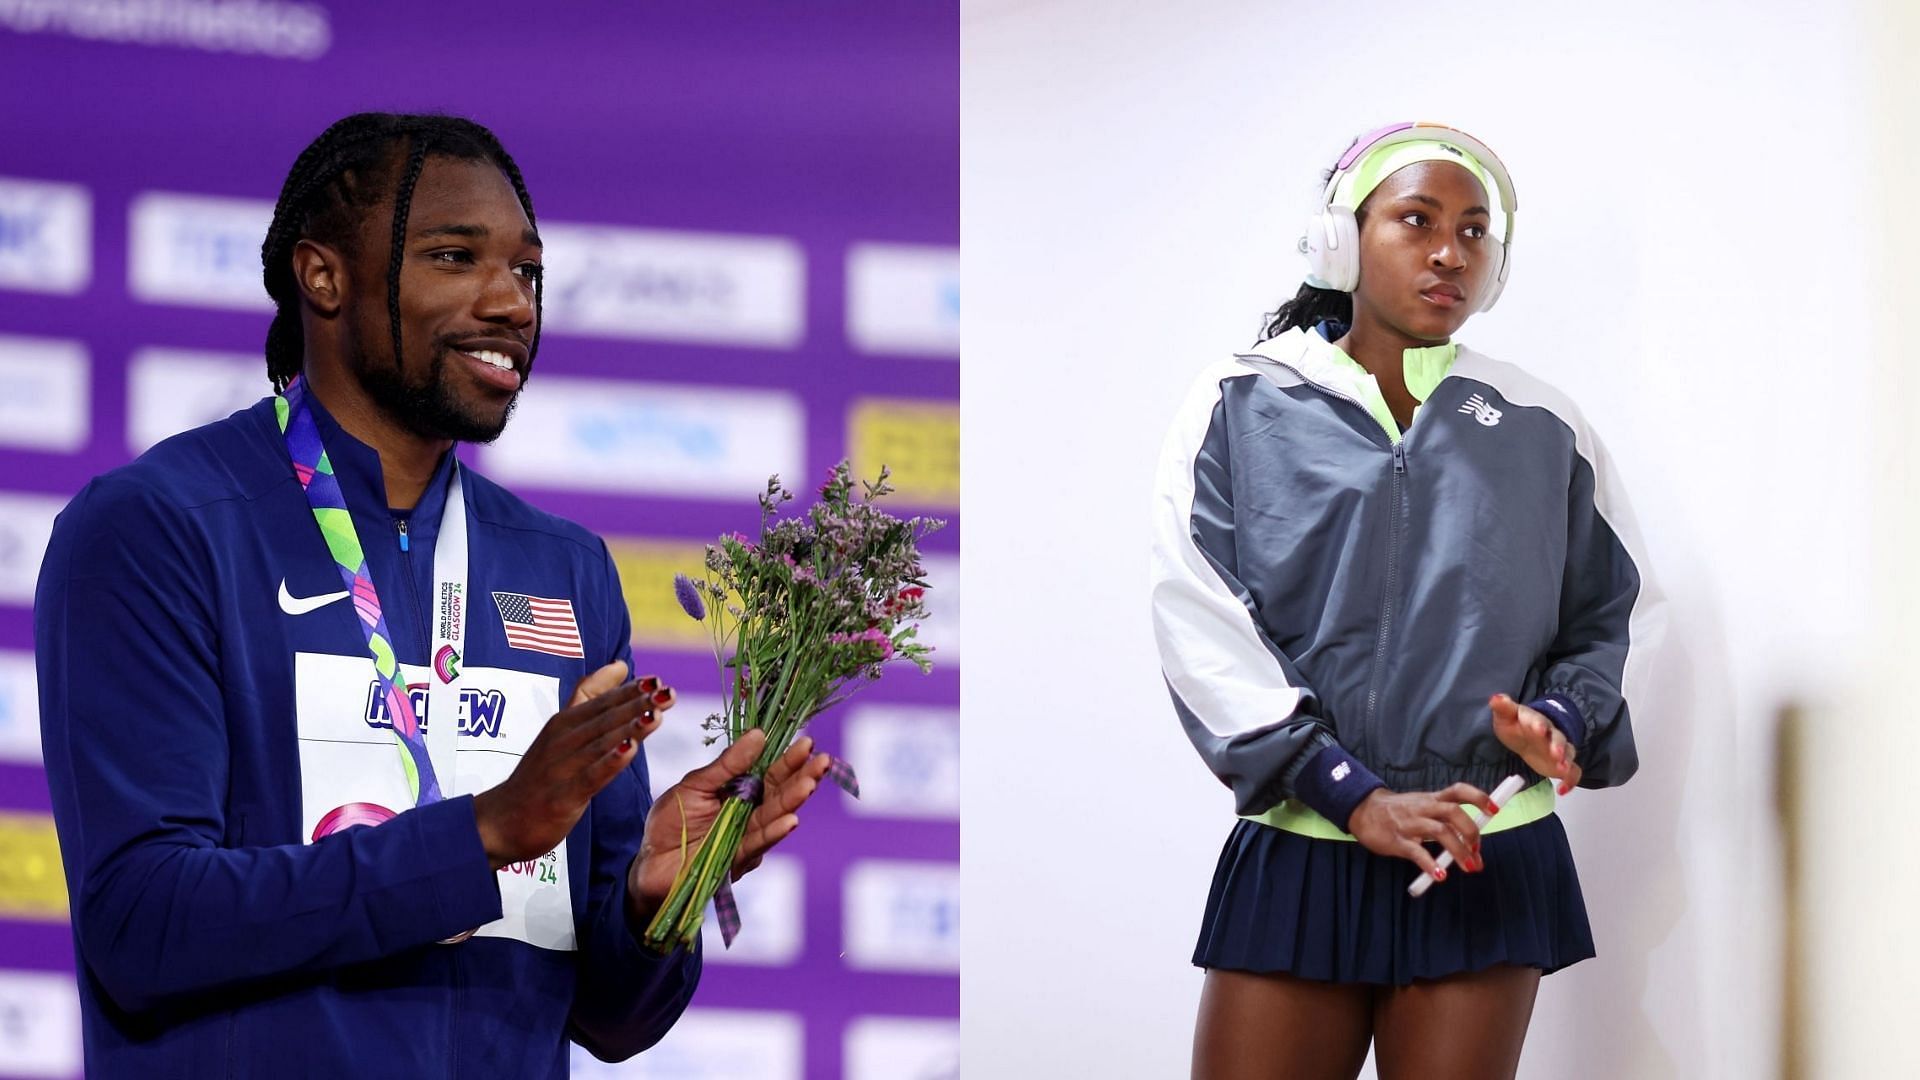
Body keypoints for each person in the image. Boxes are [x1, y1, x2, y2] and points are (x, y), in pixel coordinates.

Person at [33, 112, 832, 1078]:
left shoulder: (562, 569)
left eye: (528, 272)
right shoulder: (161, 529)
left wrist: (652, 905)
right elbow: (143, 925)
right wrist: (484, 834)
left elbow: (610, 1023)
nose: (512, 303)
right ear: (321, 276)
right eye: (456, 258)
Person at [1149, 122, 1663, 1080]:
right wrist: (1351, 794)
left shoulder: (1543, 425)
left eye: (1475, 232)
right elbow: (1198, 620)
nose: (1448, 253)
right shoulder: (1238, 403)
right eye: (1416, 220)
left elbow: (1612, 615)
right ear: (1341, 241)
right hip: (1306, 839)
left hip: (1480, 847)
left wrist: (1559, 719)